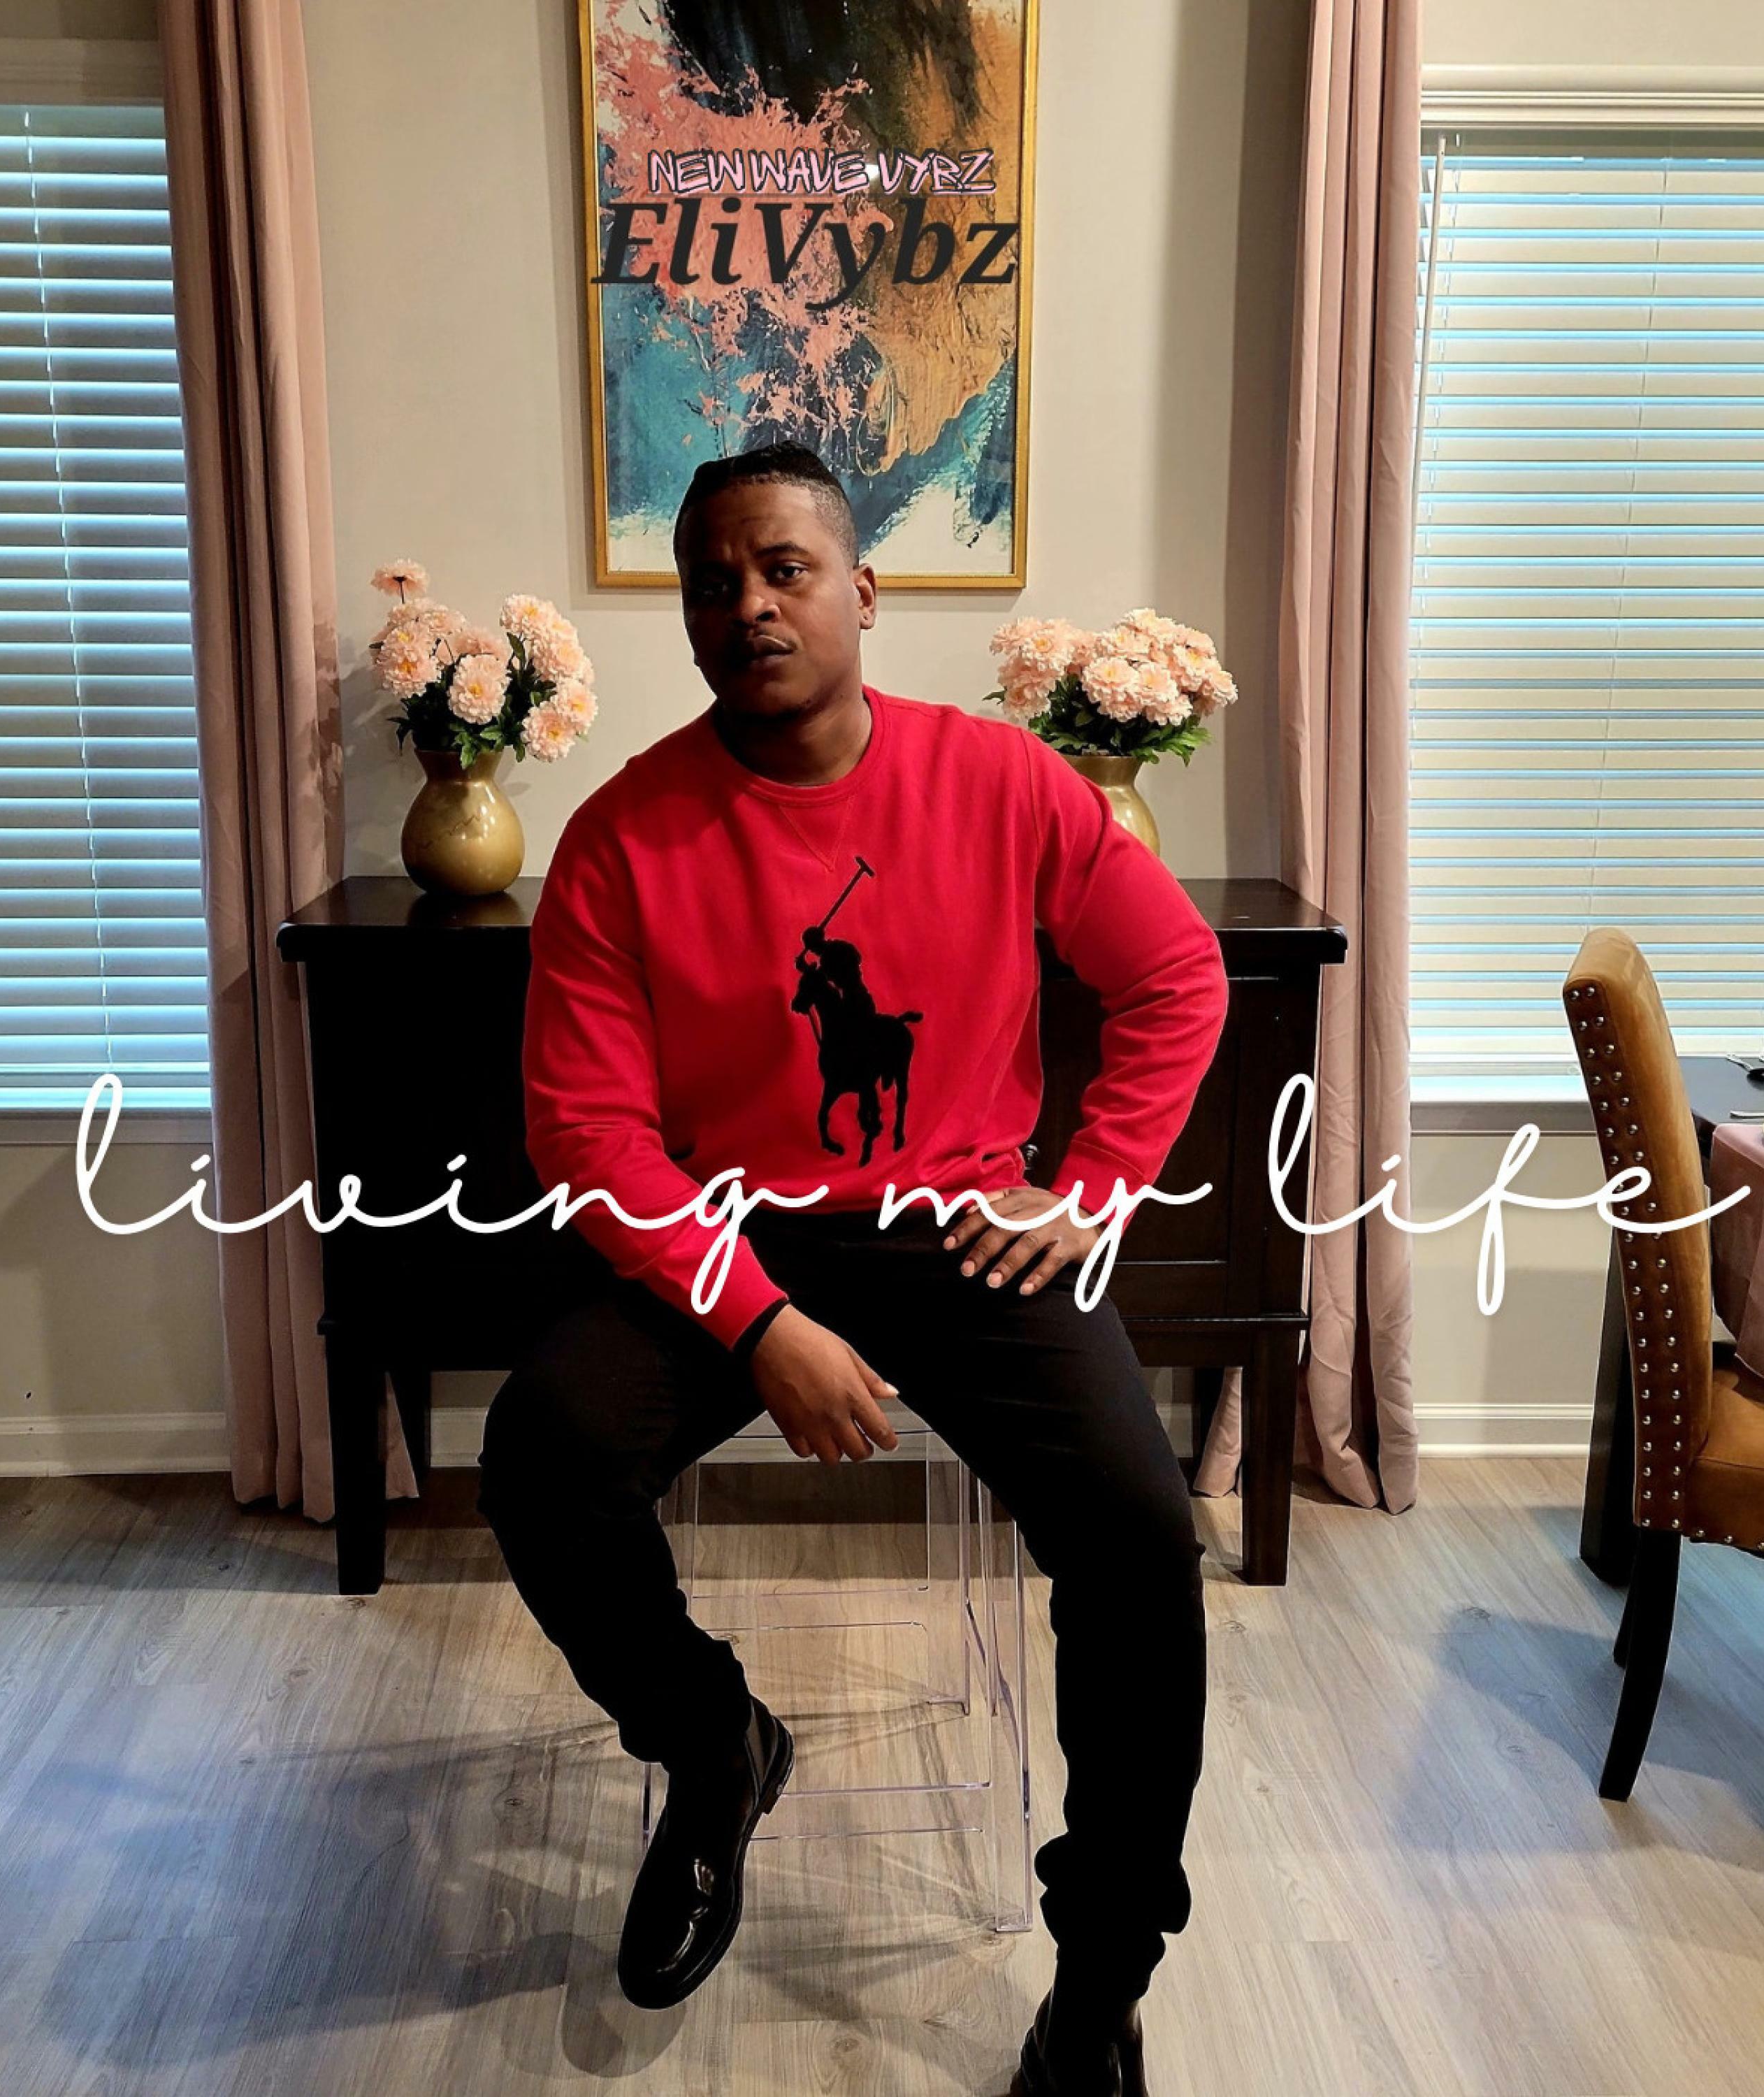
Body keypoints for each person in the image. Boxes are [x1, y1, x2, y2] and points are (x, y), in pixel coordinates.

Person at [475, 441, 1229, 2097]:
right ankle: (715, 1743)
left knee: (1138, 1541)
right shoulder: (620, 840)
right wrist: (760, 1323)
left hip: (966, 1227)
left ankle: (1101, 1981)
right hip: (729, 1232)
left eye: (785, 568)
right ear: (687, 617)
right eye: (714, 581)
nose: (749, 604)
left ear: (863, 593)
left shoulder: (1004, 784)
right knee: (541, 1452)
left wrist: (1091, 1191)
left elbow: (1176, 978)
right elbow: (587, 1133)